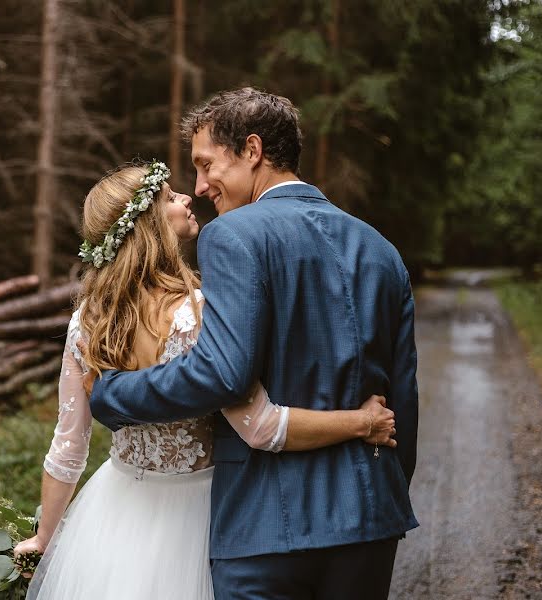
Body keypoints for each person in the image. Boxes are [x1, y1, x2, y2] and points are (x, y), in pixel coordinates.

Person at [88, 88, 419, 600]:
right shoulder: (382, 250)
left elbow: (222, 373)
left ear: (252, 150)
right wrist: (386, 493)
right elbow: (404, 399)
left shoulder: (233, 235)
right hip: (370, 515)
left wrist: (115, 396)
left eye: (205, 165)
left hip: (266, 525)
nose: (198, 188)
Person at [12, 160, 398, 600]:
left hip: (112, 515)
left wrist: (45, 539)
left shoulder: (87, 321)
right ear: (150, 224)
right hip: (199, 517)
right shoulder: (197, 314)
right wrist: (362, 423)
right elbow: (263, 427)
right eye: (170, 197)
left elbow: (68, 445)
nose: (187, 199)